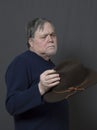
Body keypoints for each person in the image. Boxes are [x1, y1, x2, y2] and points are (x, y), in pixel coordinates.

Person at [5, 18, 69, 130]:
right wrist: (40, 88)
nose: (50, 39)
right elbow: (12, 105)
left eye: (53, 35)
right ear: (31, 42)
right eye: (44, 36)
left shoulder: (52, 66)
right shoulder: (21, 63)